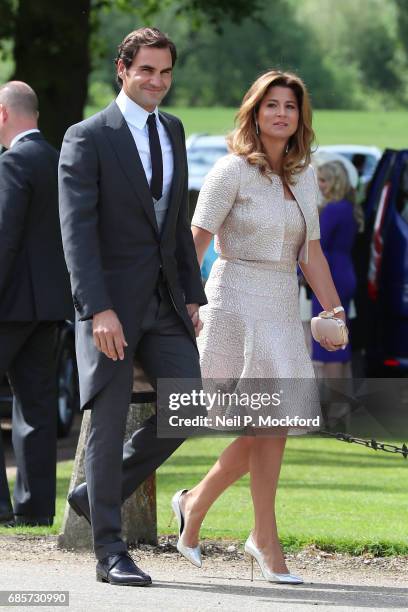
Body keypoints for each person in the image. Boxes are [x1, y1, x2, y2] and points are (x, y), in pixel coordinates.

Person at [170, 70, 346, 584]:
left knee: (273, 423)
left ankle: (197, 505)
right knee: (263, 424)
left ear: (300, 117)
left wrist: (333, 311)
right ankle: (262, 538)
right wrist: (186, 304)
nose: (281, 114)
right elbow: (193, 244)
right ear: (254, 110)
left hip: (280, 304)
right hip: (232, 301)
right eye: (272, 104)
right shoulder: (230, 171)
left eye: (290, 106)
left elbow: (311, 252)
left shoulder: (305, 174)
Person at [58, 28, 206, 587]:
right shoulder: (86, 137)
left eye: (166, 72)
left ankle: (96, 493)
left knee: (190, 405)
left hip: (165, 304)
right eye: (147, 71)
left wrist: (192, 296)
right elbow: (77, 234)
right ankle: (109, 552)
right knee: (108, 422)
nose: (158, 83)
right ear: (123, 69)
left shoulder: (173, 129)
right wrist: (98, 310)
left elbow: (174, 227)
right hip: (109, 310)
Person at [0, 81, 73, 526]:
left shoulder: (13, 163)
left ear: (4, 114)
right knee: (37, 411)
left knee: (34, 410)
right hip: (49, 309)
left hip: (9, 307)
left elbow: (5, 240)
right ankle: (35, 510)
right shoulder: (58, 160)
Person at [312, 160, 361, 378]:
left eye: (323, 180)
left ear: (334, 182)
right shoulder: (349, 207)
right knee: (341, 338)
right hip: (345, 272)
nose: (320, 185)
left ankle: (336, 407)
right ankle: (342, 406)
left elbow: (316, 247)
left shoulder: (333, 210)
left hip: (330, 275)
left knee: (330, 344)